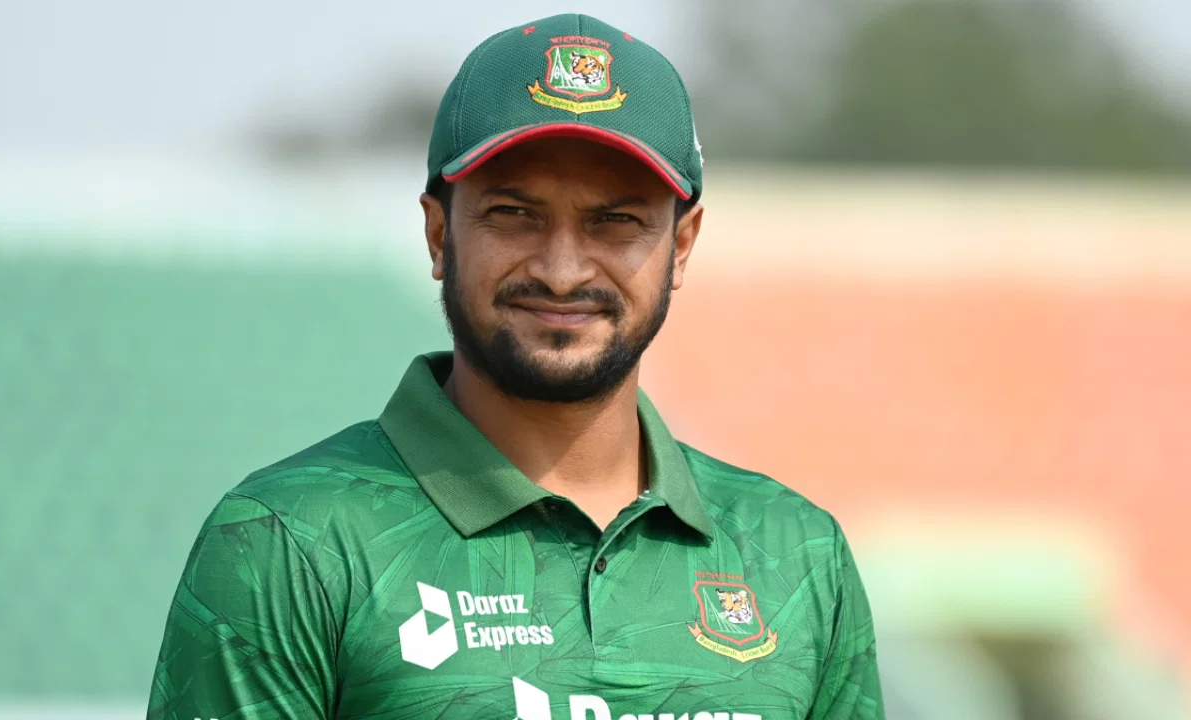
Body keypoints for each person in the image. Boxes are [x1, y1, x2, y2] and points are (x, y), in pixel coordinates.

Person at [146, 13, 884, 720]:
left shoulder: (798, 552)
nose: (562, 271)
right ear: (439, 234)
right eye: (513, 214)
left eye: (615, 221)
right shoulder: (286, 540)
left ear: (681, 245)